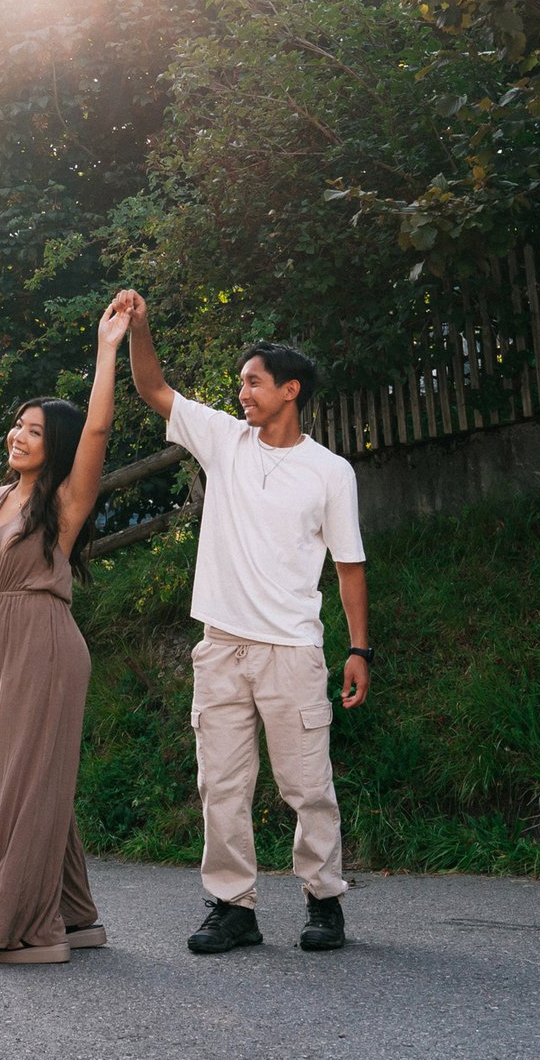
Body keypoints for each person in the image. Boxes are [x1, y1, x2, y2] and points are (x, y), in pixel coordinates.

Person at [117, 290, 369, 955]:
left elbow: (349, 567)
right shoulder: (225, 440)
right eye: (240, 383)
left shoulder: (330, 472)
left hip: (293, 650)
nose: (242, 393)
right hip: (223, 646)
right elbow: (152, 385)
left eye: (253, 382)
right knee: (221, 782)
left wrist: (360, 647)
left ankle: (324, 901)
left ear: (290, 390)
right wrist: (139, 327)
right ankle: (233, 907)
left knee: (306, 783)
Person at [0, 298, 129, 964]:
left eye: (35, 431)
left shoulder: (66, 501)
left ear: (56, 446)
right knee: (29, 775)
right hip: (3, 646)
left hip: (46, 642)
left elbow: (97, 430)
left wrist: (107, 350)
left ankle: (24, 925)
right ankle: (74, 914)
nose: (18, 435)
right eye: (18, 424)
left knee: (24, 780)